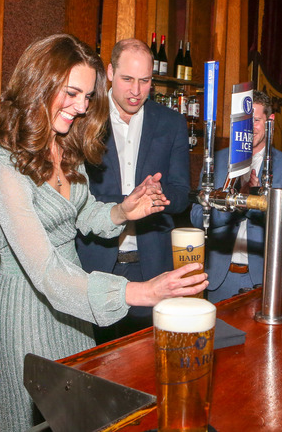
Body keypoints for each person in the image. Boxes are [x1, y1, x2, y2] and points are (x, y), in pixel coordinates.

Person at [0, 34, 207, 430]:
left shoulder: (64, 147)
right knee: (33, 421)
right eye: (72, 93)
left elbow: (82, 215)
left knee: (83, 419)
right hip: (28, 308)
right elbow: (48, 273)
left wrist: (123, 209)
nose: (82, 107)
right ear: (39, 85)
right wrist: (143, 291)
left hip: (75, 304)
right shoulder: (1, 168)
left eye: (87, 96)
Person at [76, 38, 191, 342]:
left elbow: (182, 194)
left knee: (144, 364)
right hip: (95, 264)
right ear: (110, 72)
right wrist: (129, 202)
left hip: (151, 266)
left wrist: (159, 195)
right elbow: (74, 196)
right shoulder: (83, 118)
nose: (136, 91)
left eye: (145, 81)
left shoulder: (171, 123)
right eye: (127, 79)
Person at [190, 90, 282, 303]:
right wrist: (237, 204)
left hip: (268, 277)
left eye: (256, 120)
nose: (249, 128)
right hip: (219, 279)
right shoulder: (217, 160)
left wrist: (256, 202)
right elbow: (195, 217)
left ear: (270, 121)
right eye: (244, 121)